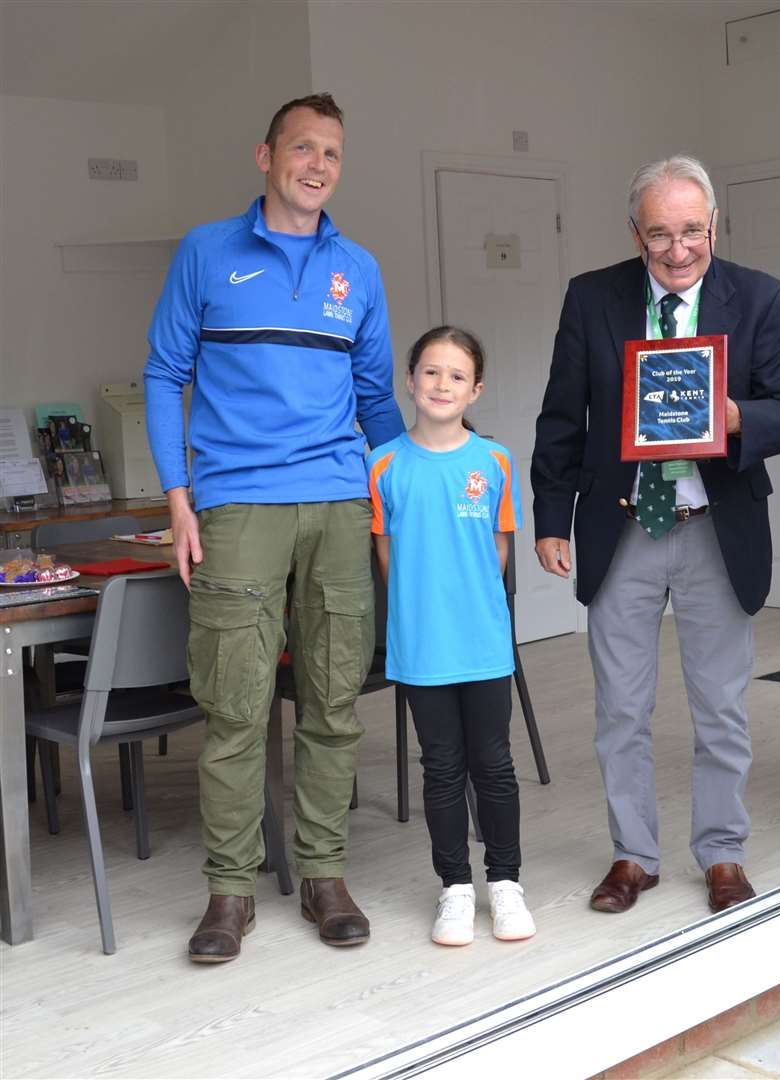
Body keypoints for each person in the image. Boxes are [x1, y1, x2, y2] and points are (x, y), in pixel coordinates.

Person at [144, 92, 405, 963]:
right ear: (265, 156)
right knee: (235, 707)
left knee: (333, 704)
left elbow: (376, 403)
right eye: (302, 149)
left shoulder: (357, 270)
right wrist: (178, 498)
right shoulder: (207, 252)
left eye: (331, 152)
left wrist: (415, 490)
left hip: (337, 504)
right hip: (237, 505)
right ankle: (230, 893)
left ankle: (326, 875)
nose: (317, 165)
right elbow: (161, 374)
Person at [531, 156, 780, 915]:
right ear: (635, 233)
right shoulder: (592, 299)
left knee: (719, 705)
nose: (678, 250)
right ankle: (632, 855)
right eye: (659, 235)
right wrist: (551, 519)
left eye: (691, 231)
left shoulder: (757, 298)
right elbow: (561, 418)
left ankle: (722, 852)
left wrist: (736, 414)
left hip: (717, 526)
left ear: (713, 223)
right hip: (624, 527)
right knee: (621, 707)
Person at [368, 327, 535, 947]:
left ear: (476, 390)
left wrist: (464, 603)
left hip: (484, 643)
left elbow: (497, 549)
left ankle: (506, 884)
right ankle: (455, 889)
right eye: (431, 372)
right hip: (421, 647)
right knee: (440, 768)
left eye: (456, 376)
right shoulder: (381, 464)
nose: (442, 384)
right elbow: (387, 555)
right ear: (410, 381)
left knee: (493, 763)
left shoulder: (493, 461)